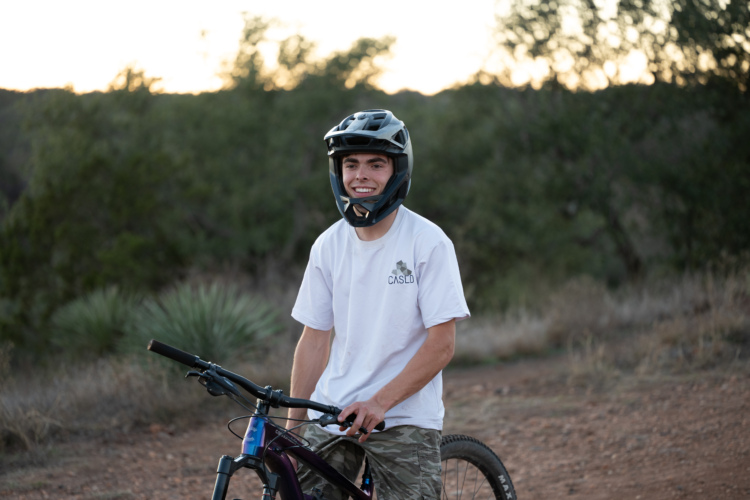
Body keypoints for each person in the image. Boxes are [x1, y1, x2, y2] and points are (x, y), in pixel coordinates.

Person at [286, 109, 470, 500]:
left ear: (397, 170)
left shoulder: (428, 242)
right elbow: (315, 339)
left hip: (403, 417)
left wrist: (380, 402)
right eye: (350, 164)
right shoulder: (328, 244)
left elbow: (443, 344)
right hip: (333, 412)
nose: (360, 175)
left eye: (375, 164)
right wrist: (293, 427)